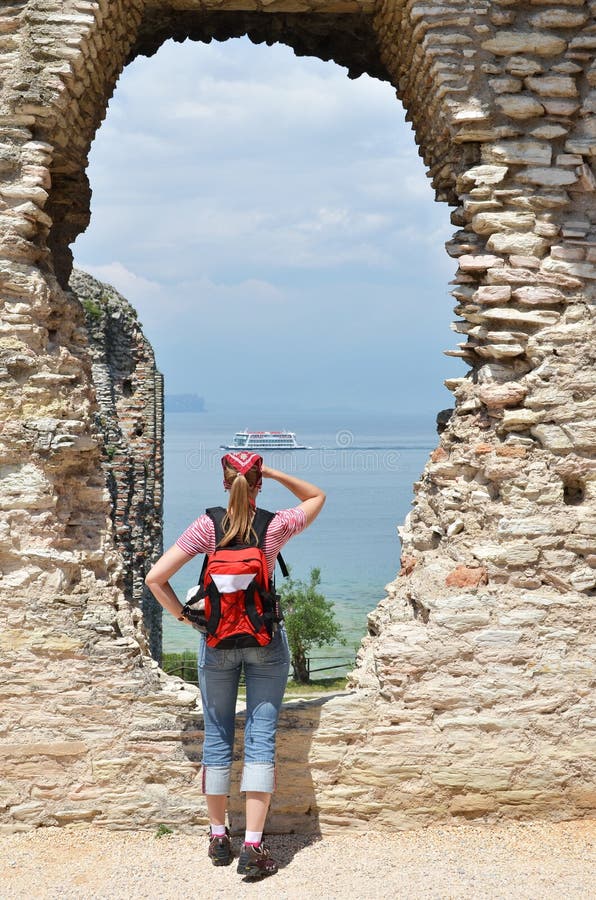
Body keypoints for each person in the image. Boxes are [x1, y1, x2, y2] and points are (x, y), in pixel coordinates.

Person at [145, 452, 325, 879]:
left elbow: (156, 578)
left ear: (224, 484)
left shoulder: (207, 526)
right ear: (257, 483)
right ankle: (253, 846)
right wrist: (273, 474)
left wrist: (188, 620)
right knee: (261, 740)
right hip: (265, 641)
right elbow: (316, 496)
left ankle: (218, 836)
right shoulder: (274, 527)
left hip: (217, 641)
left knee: (218, 736)